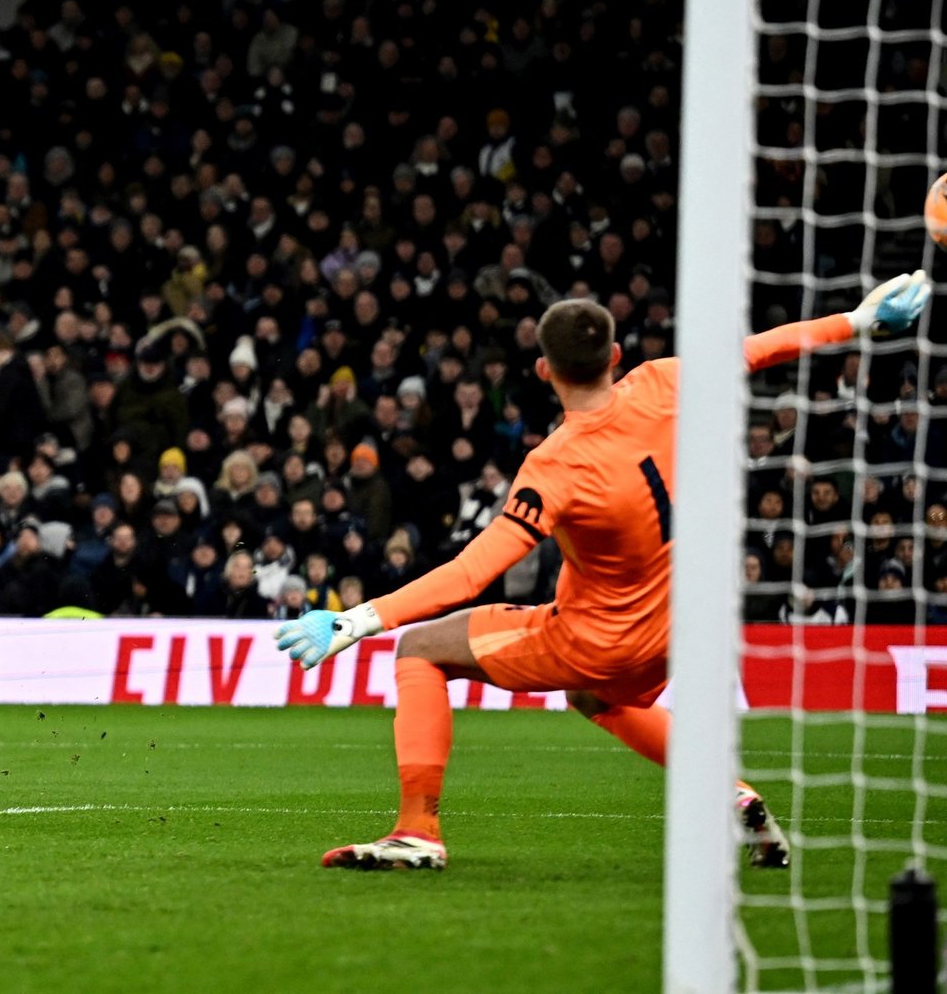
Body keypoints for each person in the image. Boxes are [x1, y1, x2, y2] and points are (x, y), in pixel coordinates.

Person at [277, 272, 931, 871]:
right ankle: (726, 793)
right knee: (595, 699)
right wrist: (858, 320)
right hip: (674, 631)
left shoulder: (555, 465)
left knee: (420, 650)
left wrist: (355, 620)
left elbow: (472, 571)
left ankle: (417, 831)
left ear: (543, 370)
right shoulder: (665, 381)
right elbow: (764, 348)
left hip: (595, 636)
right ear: (615, 355)